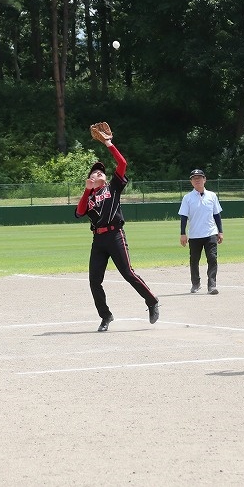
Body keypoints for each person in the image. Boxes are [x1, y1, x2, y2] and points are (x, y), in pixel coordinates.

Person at [75, 122, 160, 332]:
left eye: (101, 172)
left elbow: (122, 163)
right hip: (98, 240)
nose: (98, 174)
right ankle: (106, 316)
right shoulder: (89, 197)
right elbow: (79, 212)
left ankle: (151, 301)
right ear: (89, 179)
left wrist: (108, 144)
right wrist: (87, 191)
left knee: (128, 273)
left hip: (115, 235)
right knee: (94, 281)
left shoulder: (112, 187)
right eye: (95, 173)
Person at [178, 169, 224, 294]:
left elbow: (217, 214)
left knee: (212, 258)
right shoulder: (187, 198)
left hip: (210, 233)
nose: (197, 180)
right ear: (191, 182)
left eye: (199, 177)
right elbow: (183, 217)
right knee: (194, 260)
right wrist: (183, 233)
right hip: (194, 235)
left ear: (204, 179)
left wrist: (220, 231)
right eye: (194, 178)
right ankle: (196, 283)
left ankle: (212, 285)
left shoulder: (212, 196)